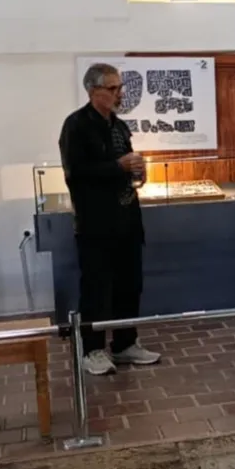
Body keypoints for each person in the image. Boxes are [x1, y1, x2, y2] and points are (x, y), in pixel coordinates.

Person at [59, 63, 161, 377]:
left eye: (120, 87)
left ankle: (125, 343)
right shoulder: (76, 126)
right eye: (113, 88)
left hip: (127, 218)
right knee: (96, 288)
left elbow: (125, 163)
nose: (120, 94)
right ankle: (91, 349)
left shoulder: (119, 126)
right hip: (96, 223)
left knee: (129, 285)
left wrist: (137, 170)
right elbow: (76, 173)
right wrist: (118, 166)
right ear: (93, 91)